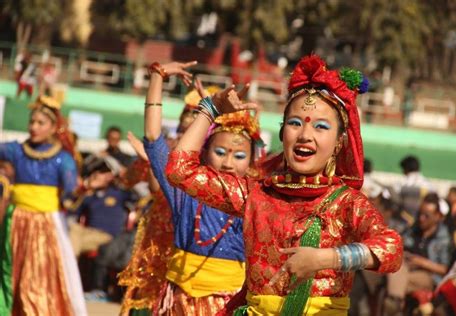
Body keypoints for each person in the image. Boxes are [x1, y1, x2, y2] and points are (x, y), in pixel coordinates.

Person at [166, 55, 403, 315]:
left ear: (339, 143)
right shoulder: (255, 194)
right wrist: (210, 110)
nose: (304, 135)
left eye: (321, 127)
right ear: (282, 134)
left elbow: (392, 249)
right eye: (294, 123)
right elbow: (179, 170)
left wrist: (326, 258)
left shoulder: (346, 203)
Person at [143, 60, 263, 314]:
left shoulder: (257, 196)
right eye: (220, 152)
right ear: (205, 150)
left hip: (227, 304)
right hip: (177, 300)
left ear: (253, 160)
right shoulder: (184, 190)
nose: (228, 163)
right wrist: (157, 76)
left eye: (239, 156)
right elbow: (154, 138)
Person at [118, 87, 218, 315]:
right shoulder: (167, 151)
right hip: (159, 231)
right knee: (149, 292)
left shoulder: (215, 157)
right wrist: (149, 161)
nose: (189, 127)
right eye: (186, 122)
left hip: (191, 235)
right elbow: (137, 183)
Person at [0, 96, 86, 315]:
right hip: (15, 220)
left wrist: (85, 189)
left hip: (45, 225)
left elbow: (70, 197)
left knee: (35, 279)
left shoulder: (63, 159)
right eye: (32, 122)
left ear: (53, 127)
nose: (34, 127)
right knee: (9, 273)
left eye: (40, 123)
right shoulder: (15, 151)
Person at [384, 193, 452, 315]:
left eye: (427, 215)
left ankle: (394, 303)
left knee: (395, 275)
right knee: (398, 270)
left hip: (428, 276)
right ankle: (396, 303)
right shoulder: (413, 230)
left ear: (437, 216)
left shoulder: (444, 239)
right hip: (406, 270)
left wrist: (422, 262)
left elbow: (446, 269)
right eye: (420, 214)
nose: (421, 218)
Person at [395, 155, 435, 219]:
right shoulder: (429, 185)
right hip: (424, 219)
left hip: (403, 220)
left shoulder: (402, 183)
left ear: (405, 169)